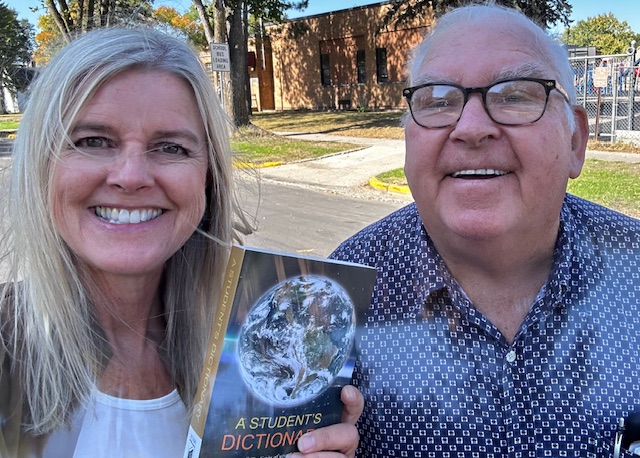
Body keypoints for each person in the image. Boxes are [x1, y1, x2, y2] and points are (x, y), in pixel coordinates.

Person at [0, 27, 363, 457]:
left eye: (171, 148)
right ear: (41, 166)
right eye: (92, 141)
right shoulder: (7, 348)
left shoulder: (250, 349)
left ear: (208, 180)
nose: (132, 176)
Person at [330, 3, 640, 457]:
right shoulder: (339, 291)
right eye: (439, 101)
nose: (471, 128)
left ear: (575, 141)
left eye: (514, 96)